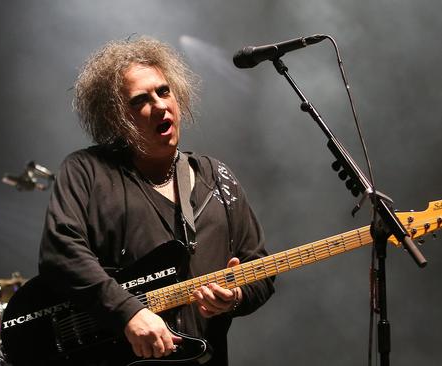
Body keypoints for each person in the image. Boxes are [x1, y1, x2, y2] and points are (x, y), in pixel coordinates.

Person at [38, 37, 274, 365]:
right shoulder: (87, 170)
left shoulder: (218, 178)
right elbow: (61, 251)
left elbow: (260, 270)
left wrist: (235, 297)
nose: (161, 105)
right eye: (140, 101)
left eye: (164, 91)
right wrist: (127, 312)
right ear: (115, 118)